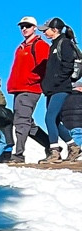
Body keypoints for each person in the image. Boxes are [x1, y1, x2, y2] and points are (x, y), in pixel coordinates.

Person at [6, 16, 50, 161]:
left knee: (21, 122)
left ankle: (18, 155)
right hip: (19, 89)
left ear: (34, 28)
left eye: (28, 26)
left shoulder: (40, 45)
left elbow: (44, 66)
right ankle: (52, 146)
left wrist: (31, 80)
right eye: (22, 26)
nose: (24, 29)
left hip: (30, 89)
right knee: (28, 124)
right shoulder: (21, 47)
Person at [40, 18, 79, 160]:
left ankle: (54, 151)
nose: (44, 32)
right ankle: (74, 146)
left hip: (61, 87)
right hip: (52, 89)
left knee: (49, 117)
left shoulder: (65, 43)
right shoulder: (54, 45)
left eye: (46, 29)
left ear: (55, 29)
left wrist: (55, 81)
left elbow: (68, 66)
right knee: (54, 120)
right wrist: (47, 85)